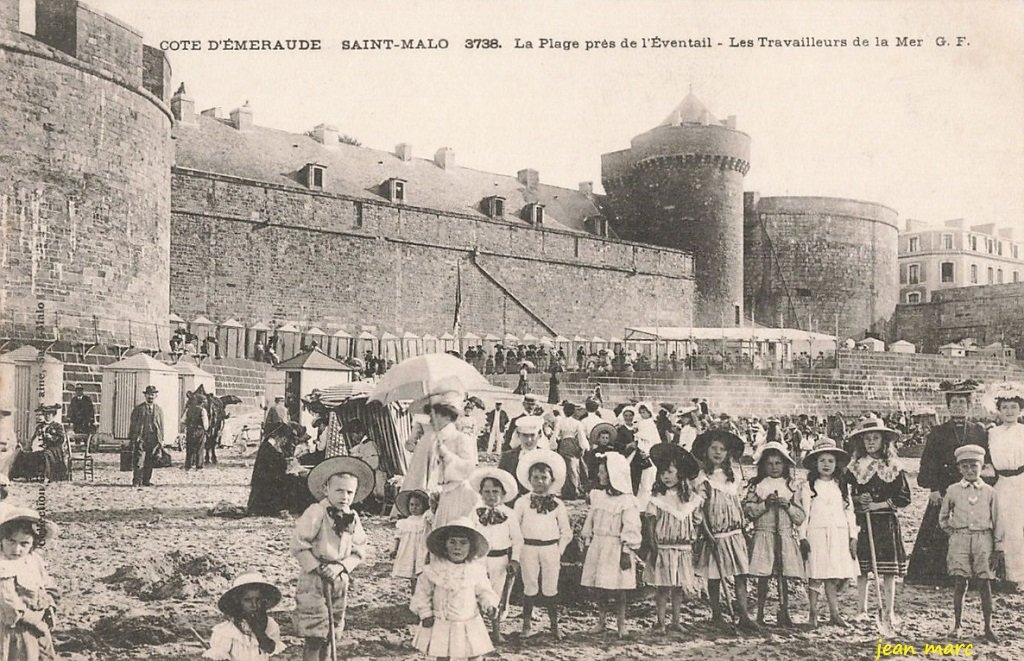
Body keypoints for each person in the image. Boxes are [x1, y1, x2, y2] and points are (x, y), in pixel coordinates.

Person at [292, 456, 373, 661]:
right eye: (339, 490)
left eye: (349, 492)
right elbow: (299, 545)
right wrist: (318, 567)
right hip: (315, 580)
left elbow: (359, 548)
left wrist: (341, 567)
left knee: (332, 632)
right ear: (326, 489)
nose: (344, 496)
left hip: (338, 579)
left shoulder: (352, 517)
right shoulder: (316, 512)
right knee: (314, 634)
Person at [907, 380, 988, 584]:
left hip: (971, 489)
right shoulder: (938, 432)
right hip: (944, 489)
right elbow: (929, 462)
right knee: (940, 530)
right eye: (954, 402)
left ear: (969, 405)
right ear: (949, 406)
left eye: (962, 401)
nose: (959, 405)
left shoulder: (979, 430)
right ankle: (936, 576)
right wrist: (933, 489)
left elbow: (987, 461)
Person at [844, 417, 911, 627]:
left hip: (885, 523)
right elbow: (845, 494)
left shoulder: (892, 466)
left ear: (884, 441)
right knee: (863, 569)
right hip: (863, 522)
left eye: (876, 438)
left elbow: (904, 497)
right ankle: (861, 609)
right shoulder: (855, 467)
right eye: (867, 439)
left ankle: (889, 611)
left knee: (888, 571)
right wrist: (858, 500)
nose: (871, 442)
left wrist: (878, 504)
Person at [692, 429, 758, 631]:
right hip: (715, 534)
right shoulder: (703, 479)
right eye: (714, 448)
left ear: (728, 453)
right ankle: (717, 614)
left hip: (735, 533)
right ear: (706, 451)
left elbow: (736, 503)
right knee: (714, 576)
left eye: (722, 449)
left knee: (740, 574)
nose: (718, 453)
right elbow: (699, 510)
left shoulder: (733, 477)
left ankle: (744, 614)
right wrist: (707, 533)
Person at [410, 518, 499, 660]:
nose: (457, 547)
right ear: (444, 545)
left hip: (469, 620)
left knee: (474, 653)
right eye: (452, 542)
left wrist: (489, 605)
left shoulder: (475, 570)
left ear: (471, 547)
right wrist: (425, 613)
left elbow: (484, 591)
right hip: (442, 621)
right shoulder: (434, 570)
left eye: (463, 543)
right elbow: (422, 594)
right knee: (442, 653)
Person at [940, 444, 1000, 642]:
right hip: (960, 539)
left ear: (981, 466)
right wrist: (955, 533)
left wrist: (997, 546)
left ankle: (988, 627)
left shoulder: (990, 492)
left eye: (974, 466)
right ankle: (957, 625)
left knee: (984, 582)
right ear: (959, 469)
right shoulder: (953, 490)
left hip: (984, 539)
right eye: (965, 466)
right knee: (960, 581)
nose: (970, 470)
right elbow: (943, 517)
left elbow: (997, 521)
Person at [742, 441, 805, 627]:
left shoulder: (792, 486)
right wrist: (764, 505)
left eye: (778, 463)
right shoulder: (757, 485)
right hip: (764, 535)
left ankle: (784, 611)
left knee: (783, 575)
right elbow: (748, 510)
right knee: (763, 576)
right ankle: (760, 612)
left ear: (785, 464)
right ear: (763, 465)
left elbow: (800, 517)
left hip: (784, 536)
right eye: (770, 464)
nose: (774, 467)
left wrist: (788, 506)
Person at [643, 444, 703, 634]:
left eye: (669, 472)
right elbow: (650, 525)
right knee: (662, 587)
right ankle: (660, 622)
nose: (665, 476)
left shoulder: (689, 498)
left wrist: (696, 540)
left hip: (682, 548)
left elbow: (696, 521)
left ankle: (676, 620)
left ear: (680, 473)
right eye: (662, 473)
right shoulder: (657, 498)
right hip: (663, 547)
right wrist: (653, 547)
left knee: (678, 587)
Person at [580, 452, 642, 638]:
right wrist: (587, 540)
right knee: (600, 586)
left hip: (616, 546)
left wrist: (626, 551)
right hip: (599, 544)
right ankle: (601, 620)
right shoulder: (598, 496)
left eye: (603, 472)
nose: (599, 476)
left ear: (614, 474)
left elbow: (631, 527)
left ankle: (621, 623)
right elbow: (591, 520)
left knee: (619, 588)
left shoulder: (627, 501)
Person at [800, 437, 859, 629]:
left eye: (830, 461)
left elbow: (849, 511)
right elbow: (804, 514)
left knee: (832, 574)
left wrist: (853, 535)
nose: (826, 465)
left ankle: (834, 612)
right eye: (822, 460)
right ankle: (813, 613)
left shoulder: (841, 486)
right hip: (816, 532)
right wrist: (802, 536)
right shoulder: (809, 486)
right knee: (816, 573)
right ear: (815, 464)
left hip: (838, 533)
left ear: (836, 464)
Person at [513, 448, 571, 640]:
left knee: (550, 587)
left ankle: (554, 626)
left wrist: (558, 550)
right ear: (529, 479)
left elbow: (566, 532)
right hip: (528, 548)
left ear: (551, 480)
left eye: (544, 477)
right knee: (530, 586)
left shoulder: (558, 504)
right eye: (535, 477)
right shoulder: (522, 502)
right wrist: (517, 551)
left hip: (550, 549)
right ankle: (527, 625)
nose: (539, 481)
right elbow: (515, 529)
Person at [468, 466, 521, 641]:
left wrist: (514, 560)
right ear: (481, 493)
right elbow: (469, 534)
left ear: (503, 493)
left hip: (500, 560)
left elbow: (517, 539)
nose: (491, 495)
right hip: (479, 559)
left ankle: (496, 632)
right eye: (487, 491)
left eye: (495, 491)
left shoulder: (509, 514)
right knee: (477, 592)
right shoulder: (474, 514)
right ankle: (477, 630)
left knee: (496, 594)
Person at [0, 507, 59, 661]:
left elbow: (46, 585)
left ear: (33, 543)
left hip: (36, 625)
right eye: (11, 541)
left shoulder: (33, 560)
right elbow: (9, 604)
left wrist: (48, 607)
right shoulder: (3, 565)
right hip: (13, 629)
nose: (16, 549)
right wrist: (36, 622)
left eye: (24, 543)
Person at [986, 383, 1024, 585]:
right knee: (1001, 526)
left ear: (1020, 410)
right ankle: (1001, 573)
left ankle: (1018, 575)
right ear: (999, 410)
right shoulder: (993, 433)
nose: (1009, 412)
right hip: (1001, 482)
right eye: (1005, 407)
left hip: (1021, 482)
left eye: (1013, 407)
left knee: (1018, 528)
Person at [425, 392, 480, 528]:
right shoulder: (436, 440)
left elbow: (468, 468)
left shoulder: (461, 438)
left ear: (446, 417)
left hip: (460, 494)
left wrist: (447, 455)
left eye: (434, 416)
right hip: (443, 494)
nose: (430, 420)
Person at [204, 572, 286, 660]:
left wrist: (259, 632)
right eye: (247, 600)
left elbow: (270, 649)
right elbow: (220, 655)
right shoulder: (227, 630)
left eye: (258, 600)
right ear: (238, 602)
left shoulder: (270, 625)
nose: (254, 605)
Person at [247, 423, 315, 516]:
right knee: (297, 483)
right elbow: (274, 470)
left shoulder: (270, 446)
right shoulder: (269, 448)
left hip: (270, 479)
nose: (285, 441)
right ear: (279, 437)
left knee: (296, 480)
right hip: (266, 484)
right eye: (284, 438)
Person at [391, 490, 432, 592]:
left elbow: (432, 517)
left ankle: (423, 596)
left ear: (424, 506)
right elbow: (398, 536)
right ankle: (414, 596)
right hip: (409, 551)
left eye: (417, 505)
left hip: (421, 550)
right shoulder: (404, 522)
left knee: (422, 574)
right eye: (411, 505)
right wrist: (394, 549)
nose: (414, 507)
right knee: (412, 576)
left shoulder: (425, 519)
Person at [129, 386, 163, 488]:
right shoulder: (139, 409)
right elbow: (133, 424)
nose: (150, 396)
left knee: (150, 460)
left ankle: (146, 480)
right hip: (141, 437)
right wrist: (132, 438)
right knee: (139, 460)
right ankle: (136, 481)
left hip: (153, 438)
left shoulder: (158, 410)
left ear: (155, 396)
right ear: (145, 395)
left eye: (152, 394)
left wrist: (161, 439)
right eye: (148, 394)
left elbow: (161, 425)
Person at [552, 402, 589, 500]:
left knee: (565, 467)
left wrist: (554, 445)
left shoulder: (560, 422)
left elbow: (555, 435)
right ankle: (574, 490)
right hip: (572, 443)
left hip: (564, 444)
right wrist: (583, 447)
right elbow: (581, 436)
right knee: (573, 467)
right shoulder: (577, 423)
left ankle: (567, 490)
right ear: (573, 412)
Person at [28, 405, 68, 483]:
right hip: (42, 446)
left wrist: (51, 437)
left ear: (53, 415)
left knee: (46, 454)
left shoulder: (57, 426)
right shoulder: (40, 426)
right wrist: (33, 442)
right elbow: (34, 437)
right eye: (46, 414)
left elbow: (61, 439)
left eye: (49, 415)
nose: (47, 416)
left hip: (54, 448)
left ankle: (47, 476)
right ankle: (32, 474)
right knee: (32, 453)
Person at [181, 392, 210, 471]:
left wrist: (188, 425)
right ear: (201, 402)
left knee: (189, 447)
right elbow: (205, 424)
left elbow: (182, 420)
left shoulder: (188, 409)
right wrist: (205, 429)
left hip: (190, 430)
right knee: (199, 448)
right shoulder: (202, 410)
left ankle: (188, 466)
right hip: (199, 430)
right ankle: (199, 466)